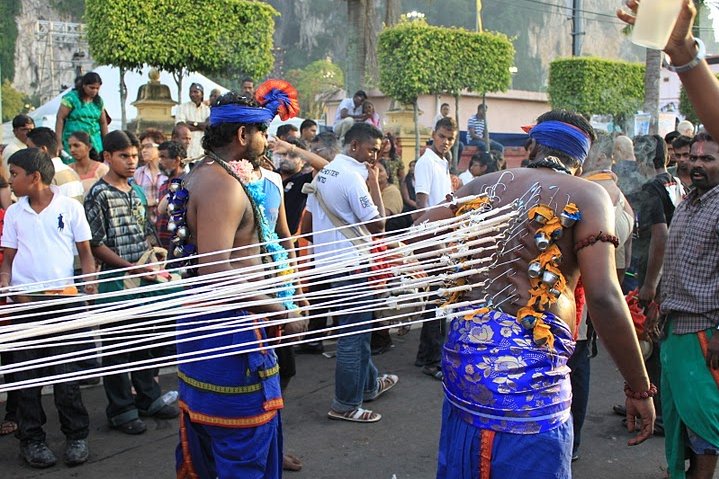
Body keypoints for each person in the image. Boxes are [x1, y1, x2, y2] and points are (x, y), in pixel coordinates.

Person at [419, 110, 654, 479]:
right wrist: (640, 387)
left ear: (531, 145)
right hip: (531, 384)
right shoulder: (588, 195)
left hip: (466, 369)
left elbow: (420, 236)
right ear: (581, 160)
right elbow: (605, 297)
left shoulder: (483, 185)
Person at [171, 86, 306, 478]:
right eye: (263, 132)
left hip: (217, 324)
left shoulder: (206, 173)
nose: (267, 141)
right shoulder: (224, 185)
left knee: (217, 440)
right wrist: (281, 308)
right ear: (243, 136)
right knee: (240, 445)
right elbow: (218, 273)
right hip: (231, 332)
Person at [617, 4, 719, 477]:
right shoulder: (692, 201)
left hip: (707, 334)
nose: (696, 163)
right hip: (680, 328)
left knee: (705, 435)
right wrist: (656, 302)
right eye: (692, 156)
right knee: (684, 433)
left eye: (708, 157)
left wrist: (685, 57)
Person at [0, 148, 96, 468]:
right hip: (26, 304)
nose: (10, 181)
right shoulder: (14, 213)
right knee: (26, 376)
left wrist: (88, 284)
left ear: (35, 177)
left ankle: (76, 436)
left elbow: (85, 252)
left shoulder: (69, 208)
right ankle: (32, 440)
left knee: (66, 376)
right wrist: (5, 281)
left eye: (14, 174)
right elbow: (9, 259)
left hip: (63, 301)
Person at [85, 130, 179, 435]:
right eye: (123, 156)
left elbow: (146, 231)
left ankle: (148, 398)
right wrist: (130, 268)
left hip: (142, 277)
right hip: (115, 281)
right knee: (116, 346)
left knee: (143, 339)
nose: (130, 162)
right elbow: (95, 244)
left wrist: (156, 260)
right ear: (107, 157)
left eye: (134, 156)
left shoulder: (136, 191)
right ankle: (120, 408)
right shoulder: (98, 194)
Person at [304, 122, 399, 423]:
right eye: (371, 150)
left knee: (358, 332)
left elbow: (306, 226)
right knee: (352, 336)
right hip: (352, 267)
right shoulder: (353, 178)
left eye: (378, 151)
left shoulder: (325, 173)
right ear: (354, 146)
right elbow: (378, 225)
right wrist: (373, 185)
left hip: (332, 266)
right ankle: (345, 404)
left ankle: (370, 384)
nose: (374, 157)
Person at [572, 133, 635, 461]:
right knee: (578, 366)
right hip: (585, 306)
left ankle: (569, 443)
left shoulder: (595, 196)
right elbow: (620, 268)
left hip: (576, 303)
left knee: (573, 368)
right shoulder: (617, 197)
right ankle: (572, 443)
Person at [413, 116, 458, 380]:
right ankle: (431, 359)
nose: (445, 142)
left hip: (445, 236)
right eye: (442, 137)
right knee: (438, 298)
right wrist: (433, 237)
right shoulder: (426, 162)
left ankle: (425, 355)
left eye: (450, 138)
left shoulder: (442, 162)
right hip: (434, 237)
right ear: (433, 134)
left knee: (439, 297)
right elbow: (422, 204)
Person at [56, 71, 108, 156]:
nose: (94, 91)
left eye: (97, 88)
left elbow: (103, 123)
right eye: (91, 88)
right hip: (73, 140)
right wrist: (58, 142)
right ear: (84, 85)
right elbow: (60, 118)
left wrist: (106, 144)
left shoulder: (98, 102)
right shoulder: (71, 98)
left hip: (95, 142)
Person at [26, 127, 84, 202]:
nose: (26, 153)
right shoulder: (72, 172)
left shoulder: (46, 177)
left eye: (29, 148)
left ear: (43, 150)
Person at [156, 140, 187, 251]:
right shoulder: (164, 185)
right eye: (159, 157)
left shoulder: (187, 183)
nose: (160, 162)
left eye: (164, 157)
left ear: (177, 160)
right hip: (163, 245)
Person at [134, 129, 168, 224]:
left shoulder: (168, 173)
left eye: (148, 146)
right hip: (145, 225)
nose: (144, 151)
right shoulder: (138, 173)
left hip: (165, 225)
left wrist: (155, 201)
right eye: (142, 147)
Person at [175, 83, 210, 159]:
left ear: (202, 94)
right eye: (191, 92)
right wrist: (201, 126)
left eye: (196, 92)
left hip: (201, 152)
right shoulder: (182, 108)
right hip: (186, 152)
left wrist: (192, 123)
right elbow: (181, 126)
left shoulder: (207, 110)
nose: (192, 94)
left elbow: (208, 126)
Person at [68, 131, 109, 195]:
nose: (72, 150)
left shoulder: (102, 170)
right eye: (70, 146)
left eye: (76, 145)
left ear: (89, 147)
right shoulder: (67, 170)